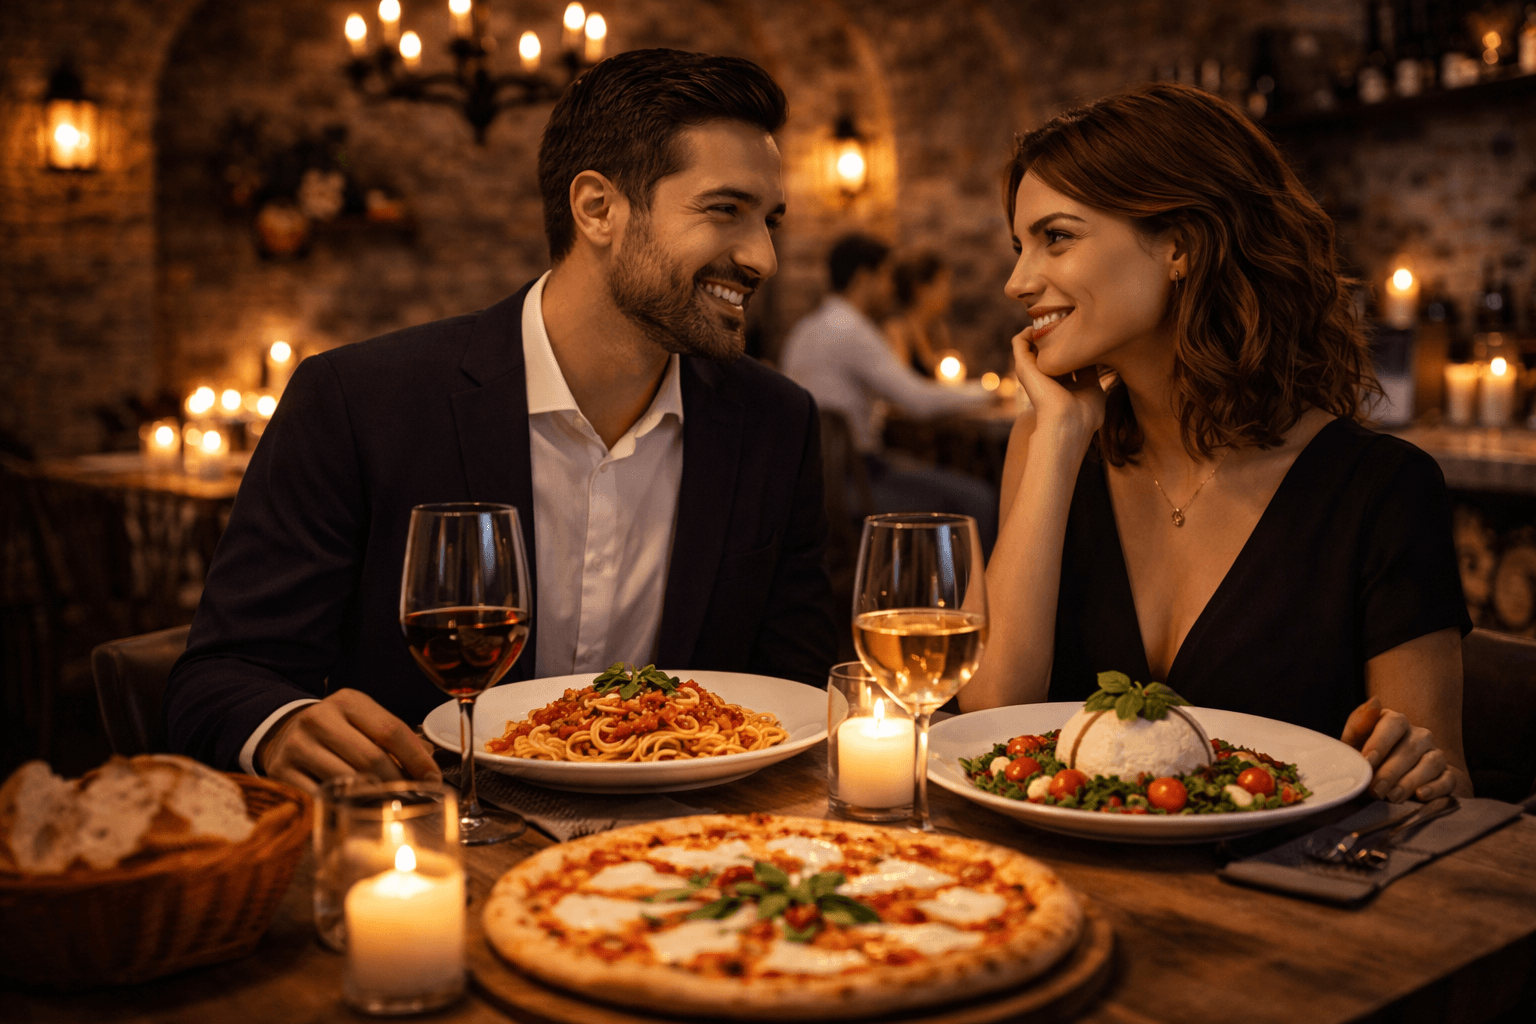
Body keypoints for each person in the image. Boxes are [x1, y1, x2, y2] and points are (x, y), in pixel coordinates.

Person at [165, 49, 838, 792]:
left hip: (683, 859)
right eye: (725, 209)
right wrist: (284, 724)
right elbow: (222, 678)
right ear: (597, 208)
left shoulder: (777, 423)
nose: (764, 257)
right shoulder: (357, 401)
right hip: (431, 846)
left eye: (770, 220)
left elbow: (798, 690)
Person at [963, 83, 1472, 805]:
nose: (1018, 281)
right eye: (1020, 246)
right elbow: (988, 718)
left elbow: (1443, 785)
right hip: (1067, 888)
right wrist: (1057, 438)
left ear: (1180, 245)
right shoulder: (1049, 447)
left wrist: (1421, 773)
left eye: (1057, 237)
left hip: (1287, 903)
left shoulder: (1381, 489)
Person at [780, 234, 998, 552]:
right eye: (885, 276)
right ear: (864, 278)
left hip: (811, 483)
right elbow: (917, 401)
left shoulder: (804, 330)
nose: (890, 287)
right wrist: (989, 391)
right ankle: (974, 599)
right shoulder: (852, 330)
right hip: (851, 482)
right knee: (979, 498)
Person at [884, 251, 951, 376]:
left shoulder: (938, 330)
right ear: (920, 289)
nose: (947, 291)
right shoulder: (897, 330)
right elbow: (900, 384)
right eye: (941, 284)